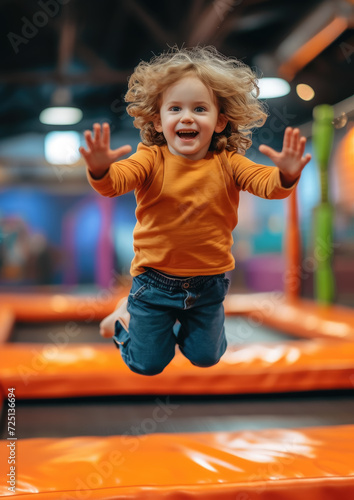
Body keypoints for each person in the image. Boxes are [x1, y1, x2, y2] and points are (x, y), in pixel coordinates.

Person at [80, 46, 311, 376]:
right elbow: (117, 181)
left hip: (208, 284)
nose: (187, 117)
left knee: (206, 357)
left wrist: (286, 174)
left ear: (220, 122)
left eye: (200, 109)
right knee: (147, 364)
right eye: (175, 108)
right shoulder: (151, 158)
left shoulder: (228, 162)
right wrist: (102, 169)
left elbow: (267, 184)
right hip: (154, 283)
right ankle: (124, 319)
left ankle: (163, 329)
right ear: (158, 121)